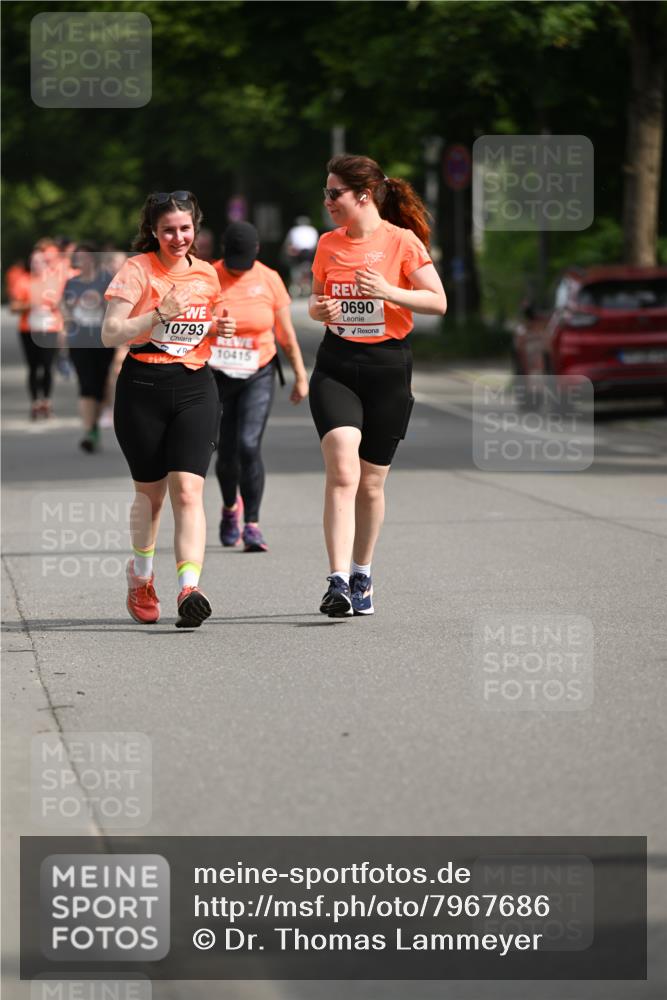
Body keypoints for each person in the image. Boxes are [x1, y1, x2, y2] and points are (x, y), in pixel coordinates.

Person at [308, 154, 447, 617]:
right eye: (326, 193)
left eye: (334, 193)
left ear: (363, 196)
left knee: (370, 483)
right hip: (337, 364)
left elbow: (437, 301)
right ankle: (337, 582)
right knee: (342, 470)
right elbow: (314, 298)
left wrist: (390, 293)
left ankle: (363, 571)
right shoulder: (328, 244)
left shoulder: (402, 243)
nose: (327, 201)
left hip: (388, 366)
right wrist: (319, 311)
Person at [102, 191, 236, 628]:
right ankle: (140, 577)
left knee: (188, 490)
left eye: (184, 228)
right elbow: (110, 333)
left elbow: (197, 327)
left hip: (195, 386)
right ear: (154, 232)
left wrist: (217, 326)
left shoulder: (207, 276)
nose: (177, 237)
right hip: (142, 388)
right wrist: (159, 312)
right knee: (151, 497)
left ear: (195, 228)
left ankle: (188, 587)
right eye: (168, 230)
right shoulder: (137, 270)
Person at [211, 222, 309, 551]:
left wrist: (300, 374)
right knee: (225, 451)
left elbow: (285, 333)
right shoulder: (209, 277)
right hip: (218, 374)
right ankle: (229, 510)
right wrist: (211, 329)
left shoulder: (269, 278)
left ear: (256, 252)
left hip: (259, 372)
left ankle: (252, 524)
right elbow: (192, 325)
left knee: (248, 445)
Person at [62, 244, 115, 452]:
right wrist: (68, 319)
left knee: (100, 387)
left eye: (86, 257)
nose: (82, 262)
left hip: (102, 339)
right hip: (79, 339)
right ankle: (88, 431)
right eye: (78, 258)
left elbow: (115, 306)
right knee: (86, 384)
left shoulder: (105, 280)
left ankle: (94, 426)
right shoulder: (71, 283)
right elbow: (63, 305)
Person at [7, 239, 66, 419]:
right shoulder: (23, 281)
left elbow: (64, 303)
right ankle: (35, 402)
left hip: (50, 328)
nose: (37, 265)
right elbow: (13, 307)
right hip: (28, 328)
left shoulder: (55, 280)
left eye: (41, 262)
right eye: (34, 262)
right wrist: (30, 304)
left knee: (48, 366)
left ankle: (46, 401)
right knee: (33, 367)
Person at [282, 215, 319, 297]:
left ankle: (296, 285)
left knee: (295, 267)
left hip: (297, 253)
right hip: (309, 253)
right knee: (308, 268)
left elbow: (288, 243)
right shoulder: (312, 230)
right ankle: (306, 284)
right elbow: (316, 244)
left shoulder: (293, 230)